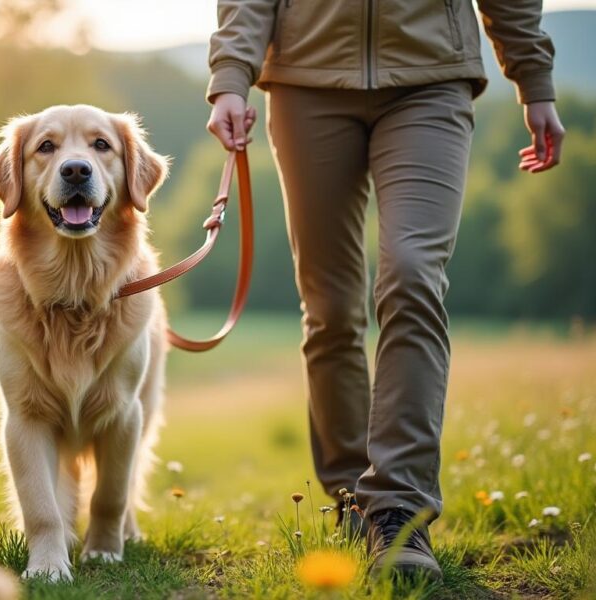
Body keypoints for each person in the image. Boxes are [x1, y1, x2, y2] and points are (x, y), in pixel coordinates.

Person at [206, 0, 564, 579]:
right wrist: (231, 75)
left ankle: (399, 510)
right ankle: (352, 503)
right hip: (306, 80)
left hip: (429, 78)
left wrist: (534, 79)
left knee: (413, 275)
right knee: (330, 308)